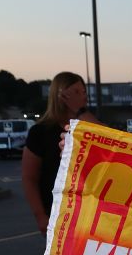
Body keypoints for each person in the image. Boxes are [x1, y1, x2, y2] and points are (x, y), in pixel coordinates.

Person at [21, 71, 98, 233]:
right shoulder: (40, 132)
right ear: (60, 95)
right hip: (57, 216)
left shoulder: (88, 125)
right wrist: (40, 216)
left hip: (90, 216)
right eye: (76, 92)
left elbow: (110, 140)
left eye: (84, 92)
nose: (82, 96)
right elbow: (29, 178)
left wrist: (80, 111)